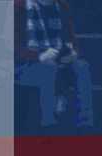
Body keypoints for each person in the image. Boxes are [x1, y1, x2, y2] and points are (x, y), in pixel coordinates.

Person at [14, 0, 93, 129]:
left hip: (58, 60)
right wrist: (39, 57)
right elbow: (12, 47)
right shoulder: (19, 6)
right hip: (27, 64)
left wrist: (73, 53)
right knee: (48, 69)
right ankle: (49, 123)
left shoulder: (62, 6)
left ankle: (85, 123)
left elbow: (72, 40)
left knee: (82, 66)